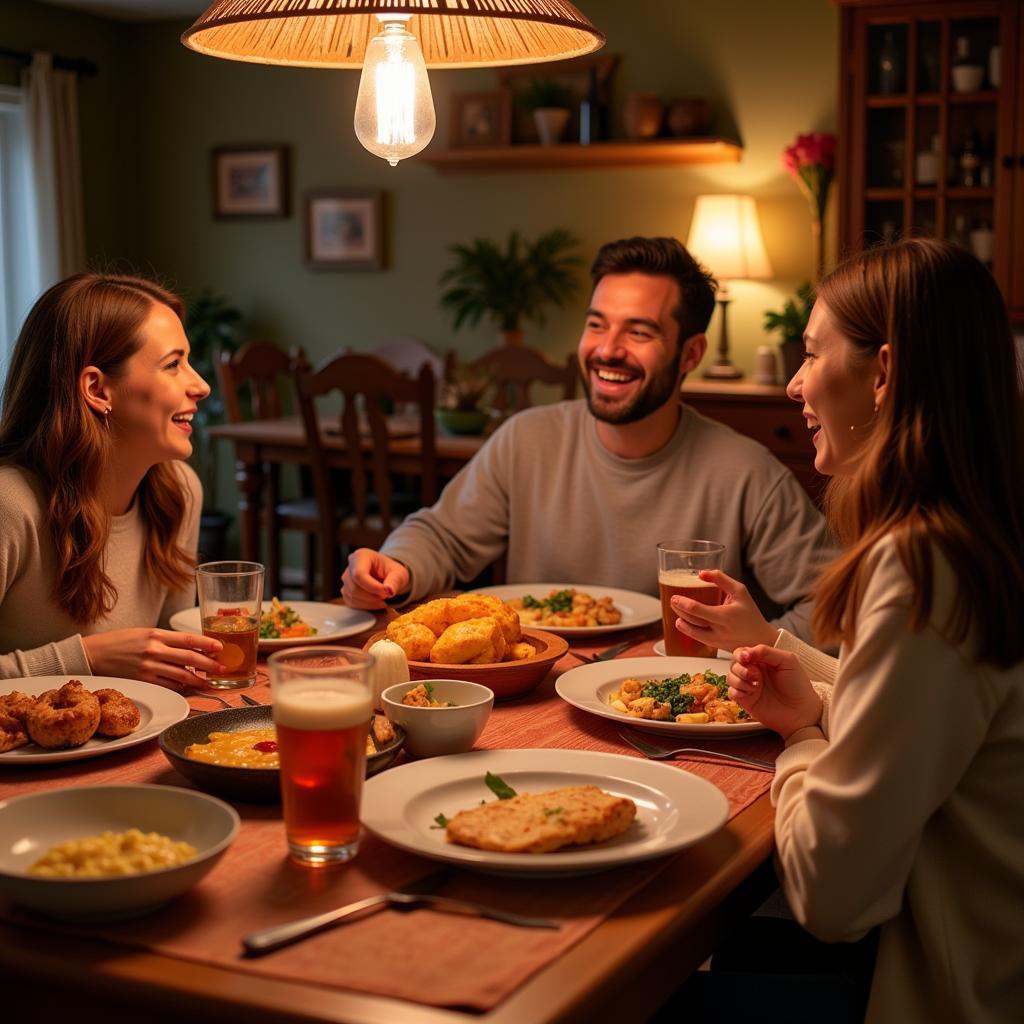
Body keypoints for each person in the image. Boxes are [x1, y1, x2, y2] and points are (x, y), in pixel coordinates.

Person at [679, 239, 1024, 1023]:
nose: (796, 384)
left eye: (810, 353)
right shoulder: (981, 534)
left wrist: (802, 739)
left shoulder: (924, 564)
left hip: (940, 990)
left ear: (884, 373)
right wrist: (791, 665)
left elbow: (829, 893)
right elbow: (939, 731)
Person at [342, 236, 833, 643]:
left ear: (691, 354)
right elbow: (443, 537)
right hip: (537, 692)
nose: (607, 350)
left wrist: (746, 654)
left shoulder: (746, 472)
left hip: (674, 711)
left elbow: (836, 605)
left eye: (638, 332)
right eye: (597, 324)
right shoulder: (526, 440)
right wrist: (396, 566)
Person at [0, 273, 227, 687]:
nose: (202, 385)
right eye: (173, 365)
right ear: (97, 389)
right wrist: (84, 659)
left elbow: (169, 675)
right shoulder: (9, 506)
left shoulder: (179, 491)